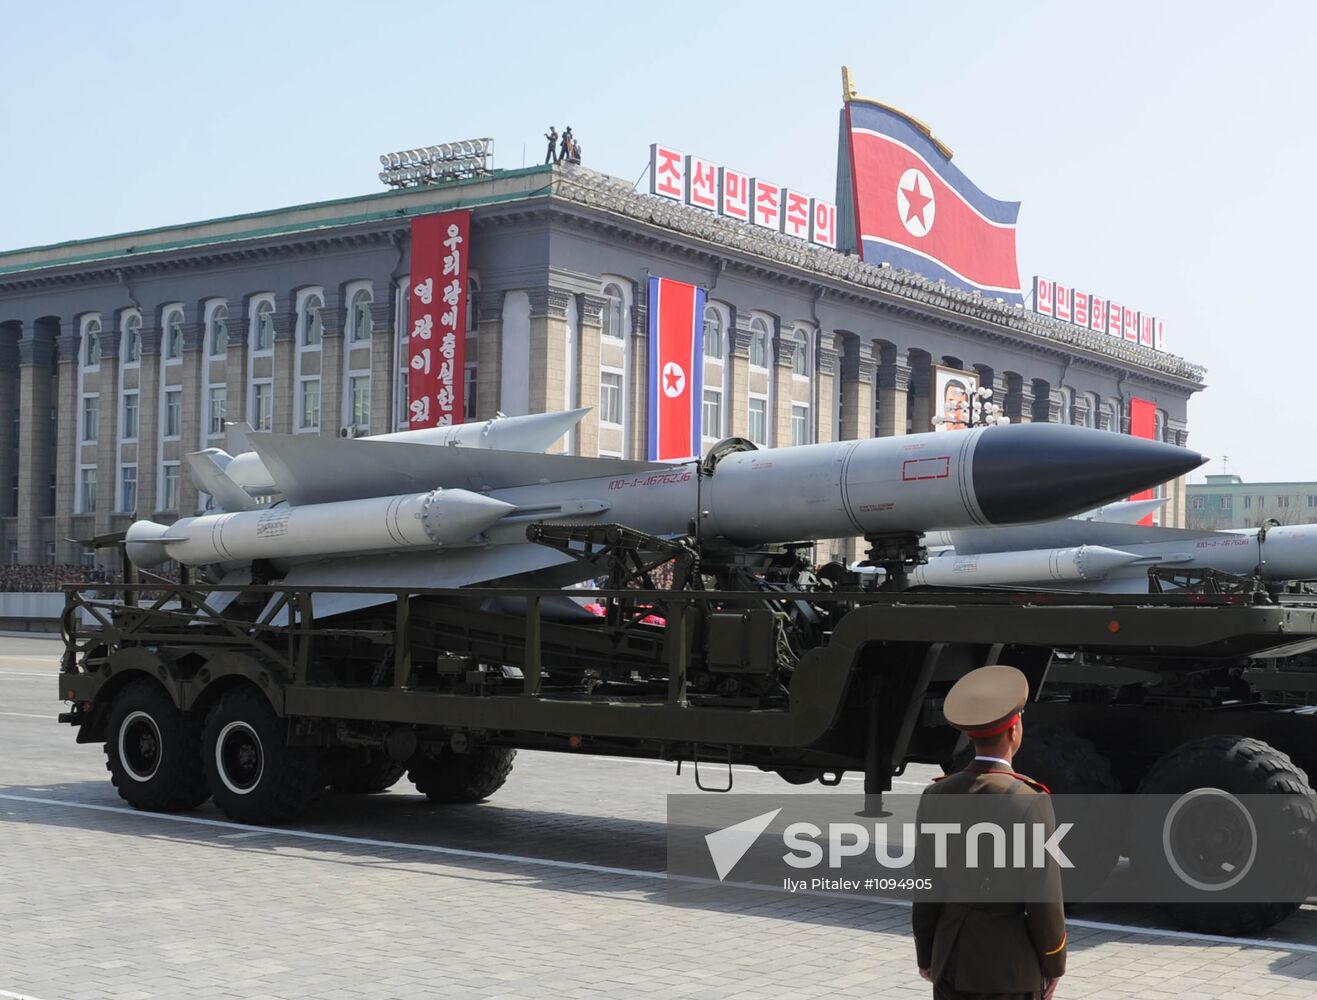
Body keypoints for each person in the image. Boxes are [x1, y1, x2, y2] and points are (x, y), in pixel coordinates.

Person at [912, 665, 1067, 1000]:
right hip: (1009, 966)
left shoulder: (937, 796)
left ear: (971, 734)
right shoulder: (1029, 802)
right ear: (1014, 731)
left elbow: (927, 887)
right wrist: (1054, 963)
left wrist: (927, 954)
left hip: (951, 956)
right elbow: (1044, 898)